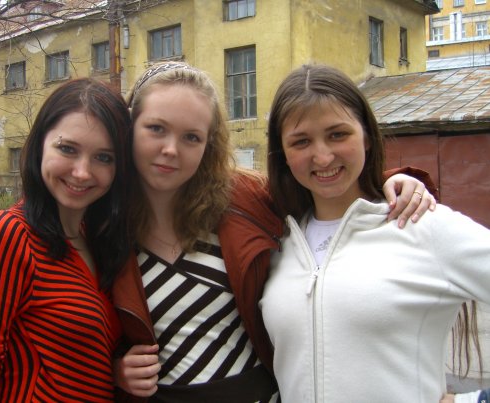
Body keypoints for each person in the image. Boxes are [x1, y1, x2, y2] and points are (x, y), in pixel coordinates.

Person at [112, 61, 437, 402]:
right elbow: (84, 329)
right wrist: (115, 368)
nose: (171, 149)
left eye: (191, 137)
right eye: (156, 128)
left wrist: (392, 183)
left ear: (209, 144)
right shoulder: (103, 224)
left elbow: (324, 188)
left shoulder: (244, 198)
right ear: (130, 127)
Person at [261, 64, 490, 402]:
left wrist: (468, 398)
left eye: (338, 134)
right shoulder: (275, 244)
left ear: (367, 135)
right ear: (282, 153)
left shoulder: (422, 225)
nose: (322, 156)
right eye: (301, 141)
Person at [0, 78, 133, 402]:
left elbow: (74, 356)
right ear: (40, 144)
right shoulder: (7, 236)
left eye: (104, 157)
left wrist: (115, 369)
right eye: (68, 149)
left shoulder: (96, 239)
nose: (82, 172)